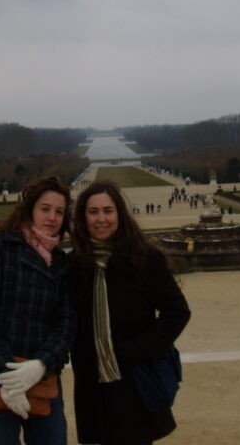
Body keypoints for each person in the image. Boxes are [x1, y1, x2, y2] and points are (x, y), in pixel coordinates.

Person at [70, 181, 191, 445]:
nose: (101, 219)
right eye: (93, 212)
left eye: (108, 211)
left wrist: (140, 350)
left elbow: (178, 312)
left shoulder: (144, 258)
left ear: (119, 215)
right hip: (92, 382)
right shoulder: (75, 264)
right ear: (83, 217)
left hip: (133, 377)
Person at [0, 176, 76, 445]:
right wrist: (7, 377)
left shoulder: (62, 263)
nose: (52, 217)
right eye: (45, 209)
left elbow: (67, 324)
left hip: (41, 377)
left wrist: (41, 365)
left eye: (59, 212)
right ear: (30, 210)